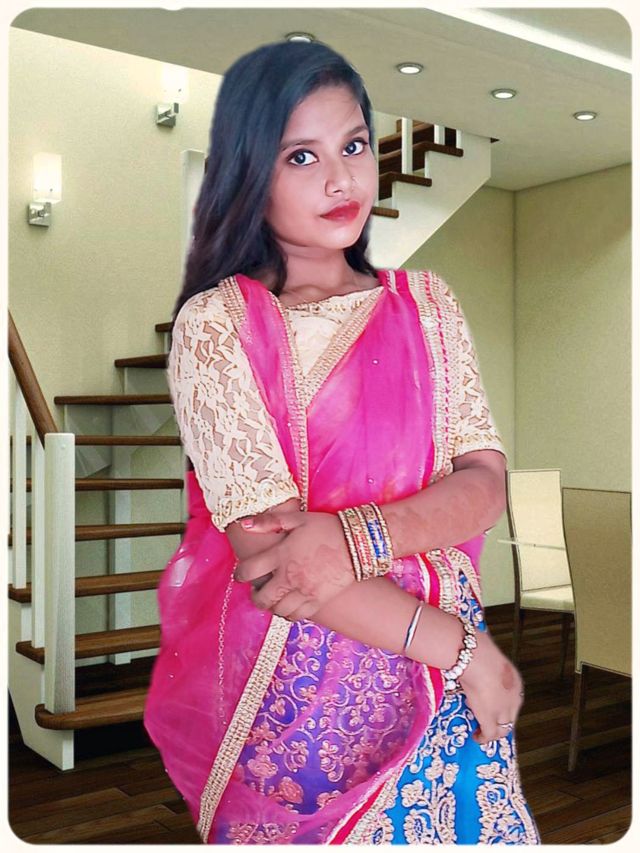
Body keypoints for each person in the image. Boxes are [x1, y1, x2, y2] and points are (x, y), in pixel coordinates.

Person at [143, 39, 542, 845]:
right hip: (298, 693)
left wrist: (354, 536)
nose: (341, 179)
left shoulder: (427, 305)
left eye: (355, 145)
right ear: (249, 173)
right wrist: (469, 653)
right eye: (302, 156)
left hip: (443, 680)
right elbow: (273, 558)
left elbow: (483, 480)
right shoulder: (217, 326)